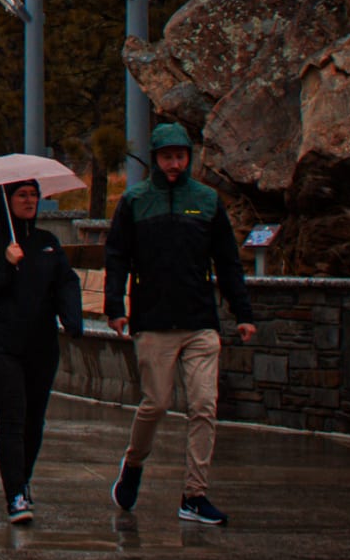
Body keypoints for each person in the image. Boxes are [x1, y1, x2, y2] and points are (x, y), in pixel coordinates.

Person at [106, 121, 257, 525]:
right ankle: (133, 464)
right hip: (154, 323)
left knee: (204, 406)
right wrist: (115, 307)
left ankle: (194, 494)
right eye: (167, 156)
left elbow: (227, 262)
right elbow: (117, 255)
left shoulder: (206, 201)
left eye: (181, 156)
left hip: (200, 324)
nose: (175, 163)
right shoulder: (135, 201)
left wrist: (242, 314)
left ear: (189, 158)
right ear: (155, 159)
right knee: (154, 404)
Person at [0, 177, 83, 523]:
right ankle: (15, 493)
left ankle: (24, 478)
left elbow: (66, 281)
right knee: (13, 417)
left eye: (34, 195)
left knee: (34, 420)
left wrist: (72, 320)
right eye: (22, 195)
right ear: (6, 200)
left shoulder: (47, 243)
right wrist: (6, 264)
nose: (30, 201)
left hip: (40, 344)